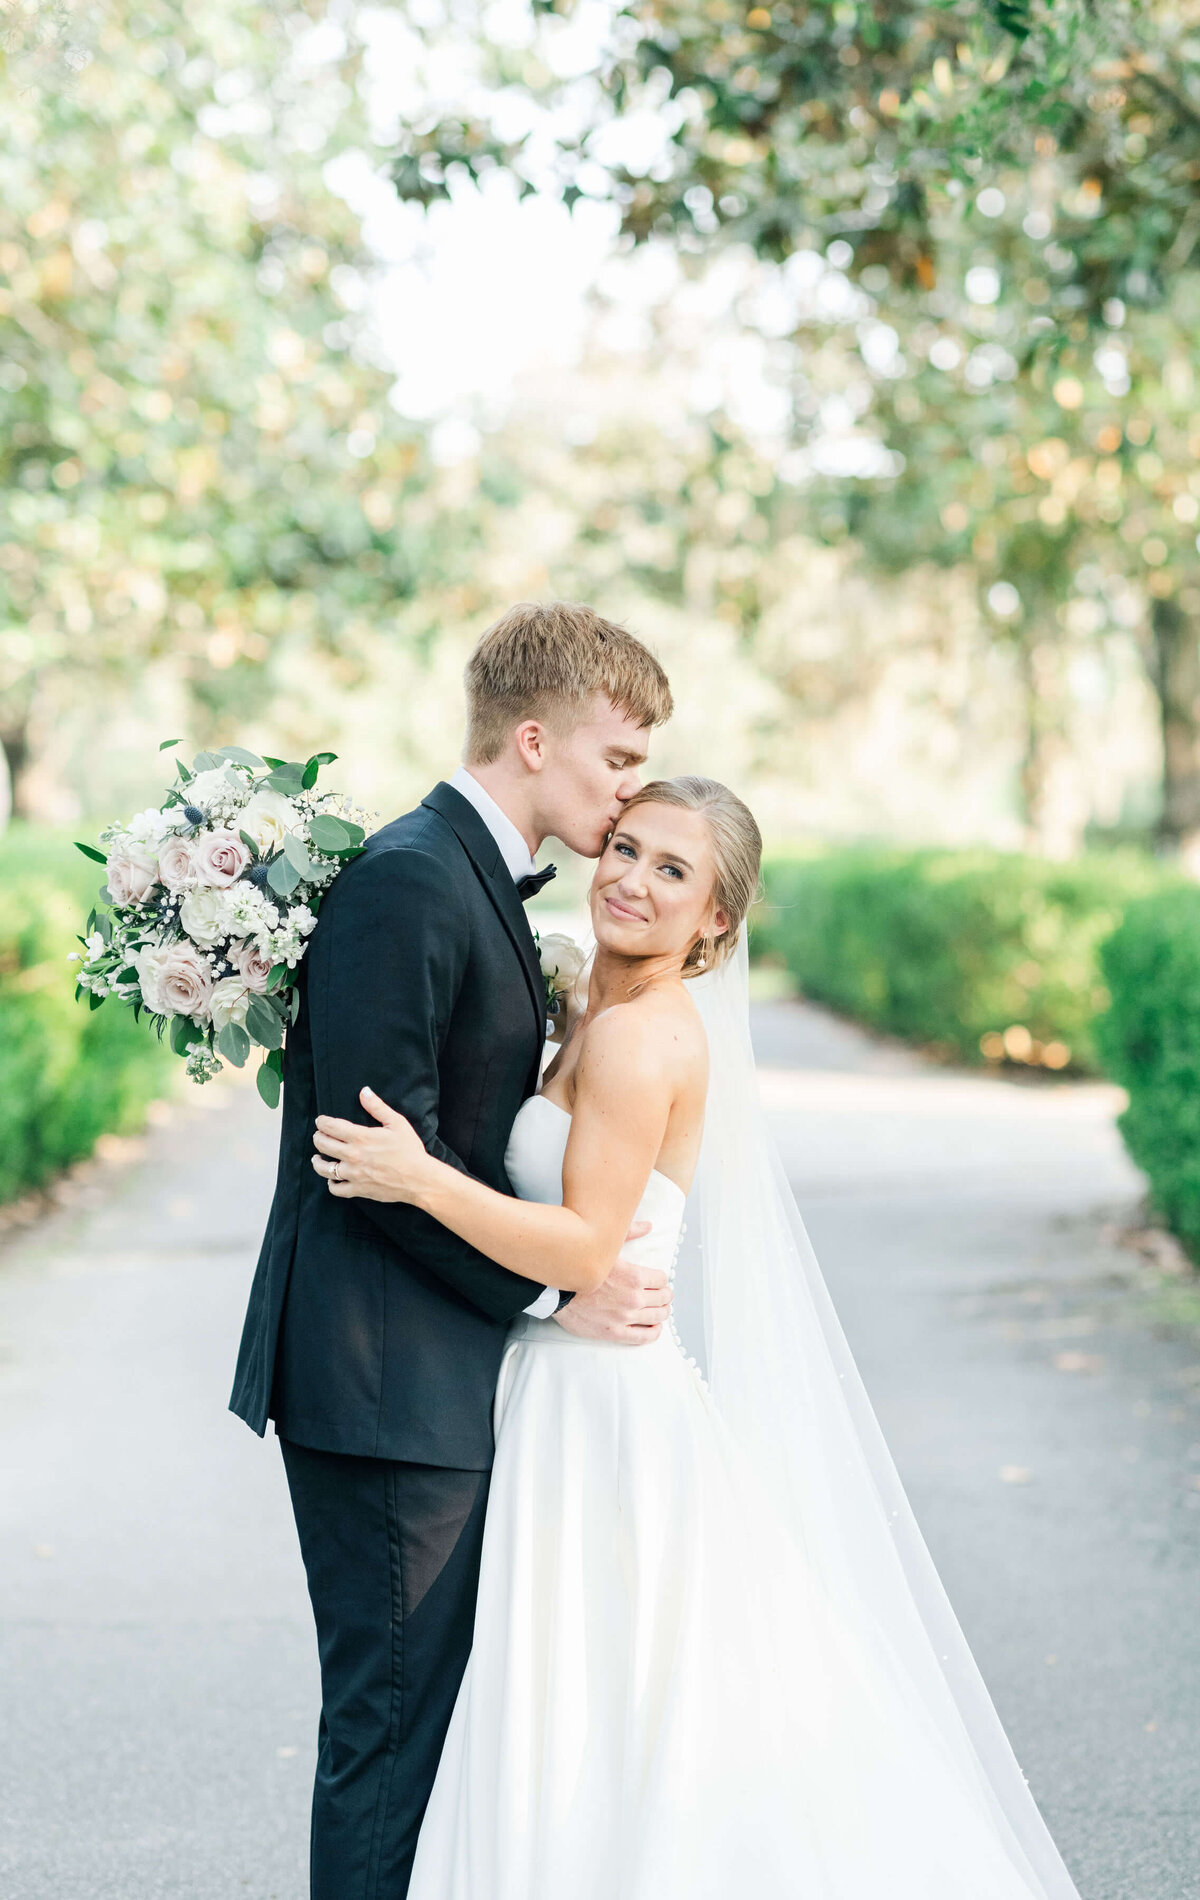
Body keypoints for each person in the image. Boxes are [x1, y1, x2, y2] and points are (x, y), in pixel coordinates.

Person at [311, 776, 1086, 1900]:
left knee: (611, 1719)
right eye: (626, 848)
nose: (631, 878)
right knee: (587, 1714)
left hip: (604, 1412)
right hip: (559, 1388)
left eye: (674, 871)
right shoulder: (590, 1008)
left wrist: (419, 1179)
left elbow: (583, 1248)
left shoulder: (641, 1043)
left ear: (717, 918)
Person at [229, 601, 674, 1900]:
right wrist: (558, 1282)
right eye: (615, 760)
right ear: (534, 740)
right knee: (389, 1737)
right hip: (379, 1386)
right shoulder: (411, 879)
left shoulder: (471, 877)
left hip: (429, 1376)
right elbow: (373, 1168)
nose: (626, 789)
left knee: (428, 1730)